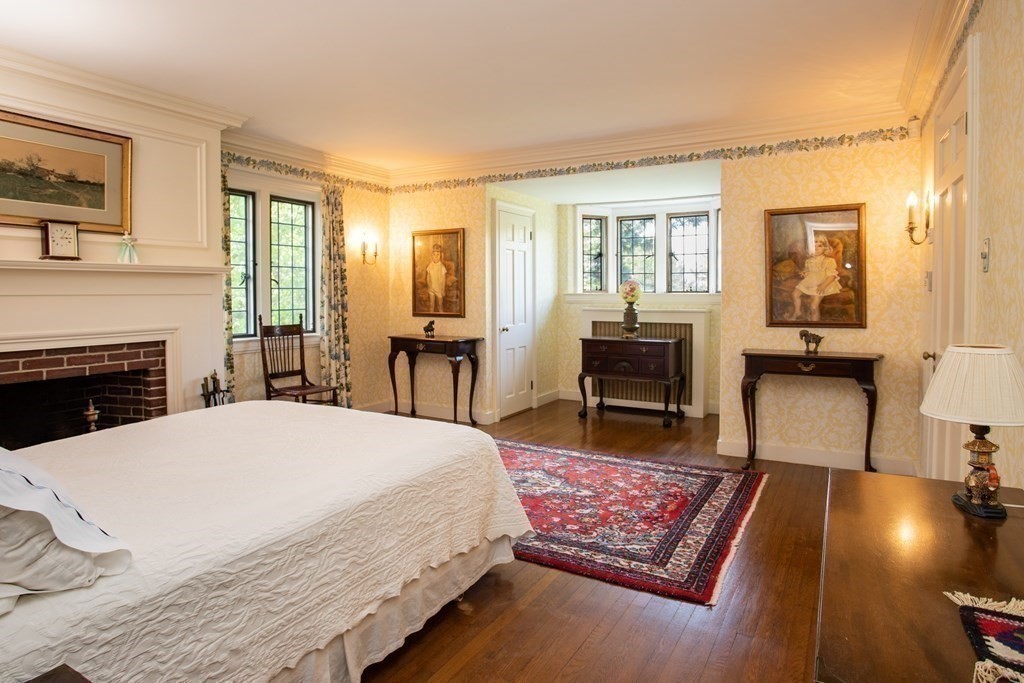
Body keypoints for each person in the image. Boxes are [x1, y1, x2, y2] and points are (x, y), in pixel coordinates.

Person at [788, 234, 841, 321]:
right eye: (813, 246)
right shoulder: (809, 261)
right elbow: (808, 271)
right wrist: (805, 273)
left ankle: (815, 324)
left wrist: (823, 286)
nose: (816, 248)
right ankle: (797, 311)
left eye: (819, 246)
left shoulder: (829, 261)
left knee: (813, 307)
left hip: (822, 282)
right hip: (811, 281)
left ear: (825, 248)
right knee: (794, 294)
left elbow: (832, 276)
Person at [426, 243, 447, 312]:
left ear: (440, 256)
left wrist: (443, 290)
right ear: (432, 256)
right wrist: (429, 286)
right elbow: (428, 277)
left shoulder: (442, 267)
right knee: (431, 305)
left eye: (438, 255)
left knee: (440, 306)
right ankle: (430, 318)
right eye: (434, 255)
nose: (436, 257)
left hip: (439, 289)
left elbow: (444, 280)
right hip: (431, 289)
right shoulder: (430, 266)